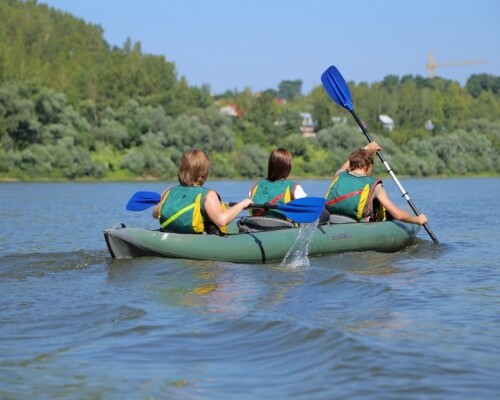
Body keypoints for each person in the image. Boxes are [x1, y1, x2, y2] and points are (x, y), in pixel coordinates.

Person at [325, 142, 428, 225]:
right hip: (356, 226)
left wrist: (366, 149)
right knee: (382, 209)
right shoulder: (375, 186)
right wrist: (418, 220)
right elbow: (398, 215)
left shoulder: (339, 175)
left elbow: (345, 166)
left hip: (332, 219)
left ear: (352, 164)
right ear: (369, 166)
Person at [152, 149, 252, 234]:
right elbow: (222, 220)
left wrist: (163, 200)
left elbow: (155, 214)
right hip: (192, 241)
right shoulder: (208, 195)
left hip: (171, 235)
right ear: (204, 174)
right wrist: (242, 204)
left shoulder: (169, 191)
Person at [248, 147, 307, 220]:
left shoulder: (255, 186)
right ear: (287, 167)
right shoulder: (294, 188)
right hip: (282, 227)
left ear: (270, 166)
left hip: (255, 225)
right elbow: (305, 211)